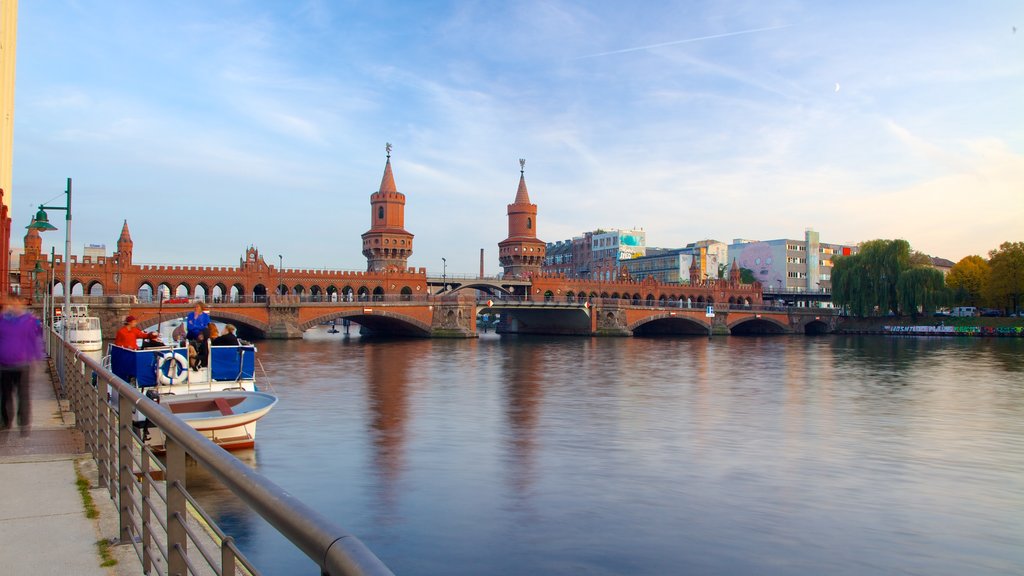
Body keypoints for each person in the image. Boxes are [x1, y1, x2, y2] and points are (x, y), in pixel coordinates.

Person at [0, 297, 45, 434]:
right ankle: (6, 421)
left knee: (23, 395)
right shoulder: (2, 321)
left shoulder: (29, 321)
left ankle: (24, 423)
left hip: (22, 363)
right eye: (11, 304)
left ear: (21, 304)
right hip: (4, 363)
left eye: (16, 303)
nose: (14, 306)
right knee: (5, 395)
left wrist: (37, 356)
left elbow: (34, 339)